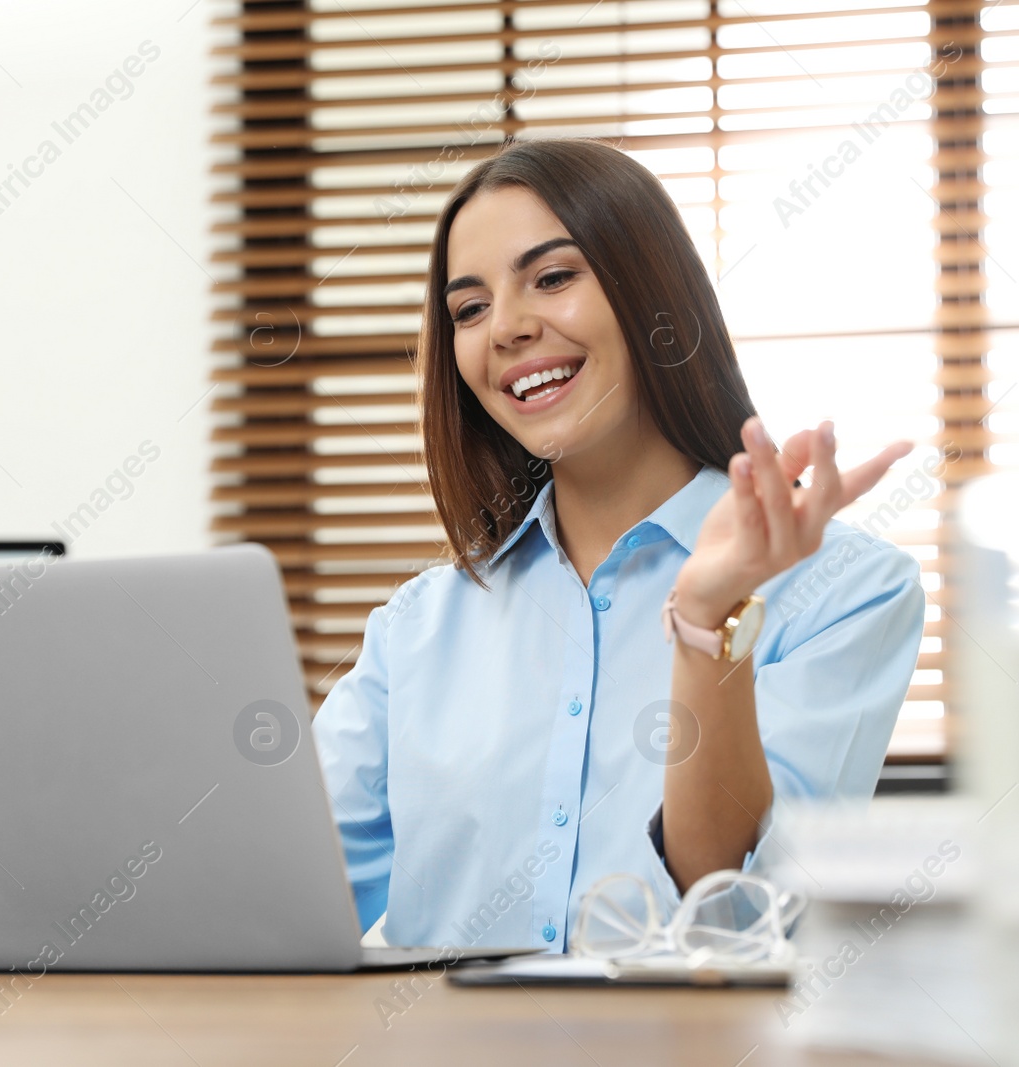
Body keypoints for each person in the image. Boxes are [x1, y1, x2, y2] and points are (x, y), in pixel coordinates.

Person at [311, 138, 925, 953]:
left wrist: (709, 620)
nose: (508, 328)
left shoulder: (847, 589)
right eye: (469, 309)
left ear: (651, 292)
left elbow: (734, 909)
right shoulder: (415, 630)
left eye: (554, 277)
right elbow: (277, 907)